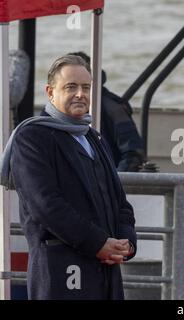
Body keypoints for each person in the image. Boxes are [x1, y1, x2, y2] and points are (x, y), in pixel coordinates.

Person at [1, 54, 137, 299]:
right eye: (71, 86)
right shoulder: (32, 138)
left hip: (106, 274)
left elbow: (120, 202)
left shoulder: (94, 138)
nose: (80, 94)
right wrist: (98, 244)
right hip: (60, 271)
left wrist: (125, 242)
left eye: (86, 87)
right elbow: (46, 205)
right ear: (50, 92)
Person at [68, 51, 147, 172]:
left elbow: (133, 153)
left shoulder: (113, 108)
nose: (78, 92)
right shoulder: (52, 112)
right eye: (70, 84)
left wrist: (112, 182)